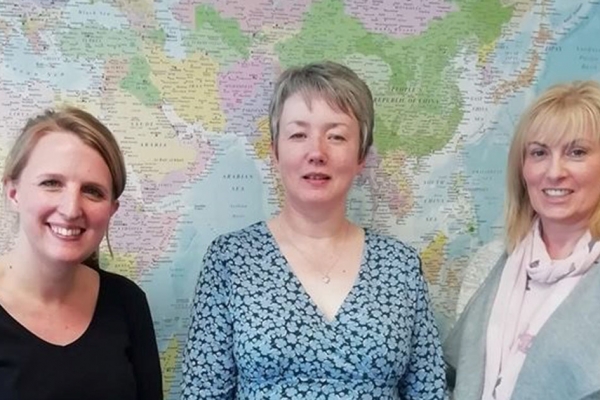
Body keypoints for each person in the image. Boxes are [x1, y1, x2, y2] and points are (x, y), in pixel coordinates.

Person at [181, 61, 445, 399]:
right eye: (298, 135)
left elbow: (429, 392)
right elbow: (202, 393)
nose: (317, 152)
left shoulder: (400, 266)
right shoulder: (231, 261)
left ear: (361, 156)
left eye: (336, 136)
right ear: (275, 151)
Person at [444, 80, 600, 400]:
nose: (554, 172)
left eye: (577, 152)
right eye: (539, 153)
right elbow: (454, 380)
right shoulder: (489, 262)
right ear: (522, 168)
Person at [0, 107, 163, 400]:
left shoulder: (128, 302)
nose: (71, 209)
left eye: (93, 191)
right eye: (51, 183)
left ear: (112, 209)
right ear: (13, 192)